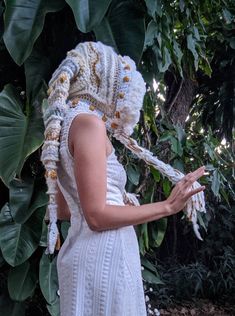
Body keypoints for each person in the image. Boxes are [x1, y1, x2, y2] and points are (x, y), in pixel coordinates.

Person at [41, 41, 206, 316]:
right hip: (105, 259)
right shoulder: (89, 124)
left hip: (79, 257)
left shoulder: (63, 128)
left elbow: (66, 209)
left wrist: (119, 203)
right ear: (103, 81)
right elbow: (96, 216)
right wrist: (167, 206)